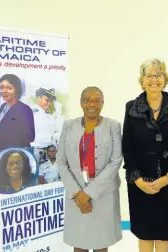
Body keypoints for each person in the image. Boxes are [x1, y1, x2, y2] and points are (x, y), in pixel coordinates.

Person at [122, 59, 168, 252]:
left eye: (158, 75)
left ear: (165, 79)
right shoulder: (131, 107)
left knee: (164, 236)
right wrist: (137, 180)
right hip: (140, 183)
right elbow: (128, 147)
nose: (154, 79)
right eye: (149, 75)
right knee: (145, 234)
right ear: (142, 81)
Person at [57, 86, 122, 252]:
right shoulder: (68, 126)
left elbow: (115, 161)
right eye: (87, 100)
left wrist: (89, 193)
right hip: (76, 192)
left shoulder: (113, 126)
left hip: (103, 192)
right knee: (79, 242)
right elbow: (61, 161)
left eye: (96, 101)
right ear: (81, 103)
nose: (91, 104)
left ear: (102, 103)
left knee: (101, 242)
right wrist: (78, 193)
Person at [0, 74, 35, 151]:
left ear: (17, 90)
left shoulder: (24, 109)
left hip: (15, 155)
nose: (4, 91)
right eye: (2, 87)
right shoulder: (3, 106)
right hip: (0, 151)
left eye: (9, 88)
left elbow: (29, 137)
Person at [30, 87, 56, 165]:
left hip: (47, 151)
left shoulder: (49, 116)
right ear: (39, 98)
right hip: (35, 150)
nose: (49, 104)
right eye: (47, 100)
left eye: (51, 101)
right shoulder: (31, 112)